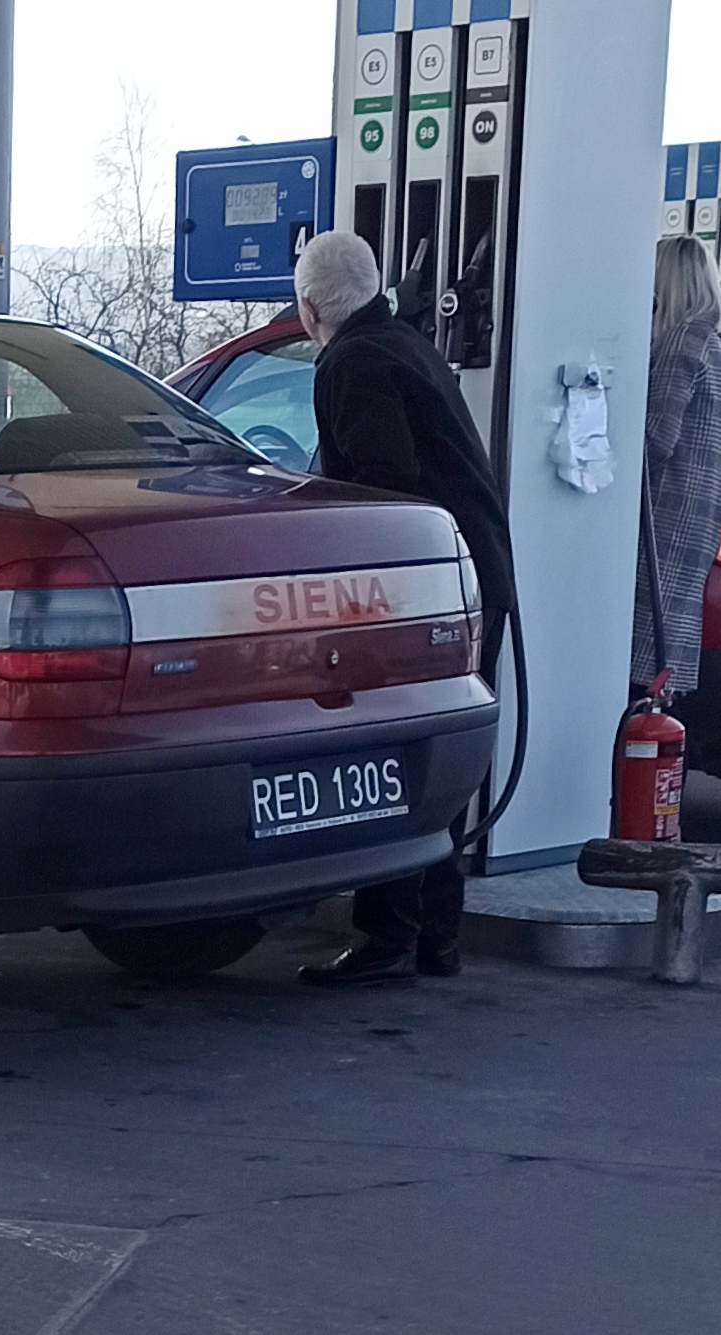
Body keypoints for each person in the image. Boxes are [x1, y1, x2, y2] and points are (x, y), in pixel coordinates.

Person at [288, 231, 517, 988]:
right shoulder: (403, 343)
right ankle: (432, 936)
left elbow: (381, 486)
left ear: (310, 306)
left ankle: (388, 937)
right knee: (437, 758)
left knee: (393, 758)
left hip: (428, 590)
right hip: (473, 575)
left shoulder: (351, 361)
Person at [631, 237, 721, 711]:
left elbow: (656, 438)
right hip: (699, 524)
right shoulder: (716, 341)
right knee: (666, 674)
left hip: (663, 518)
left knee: (640, 665)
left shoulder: (683, 338)